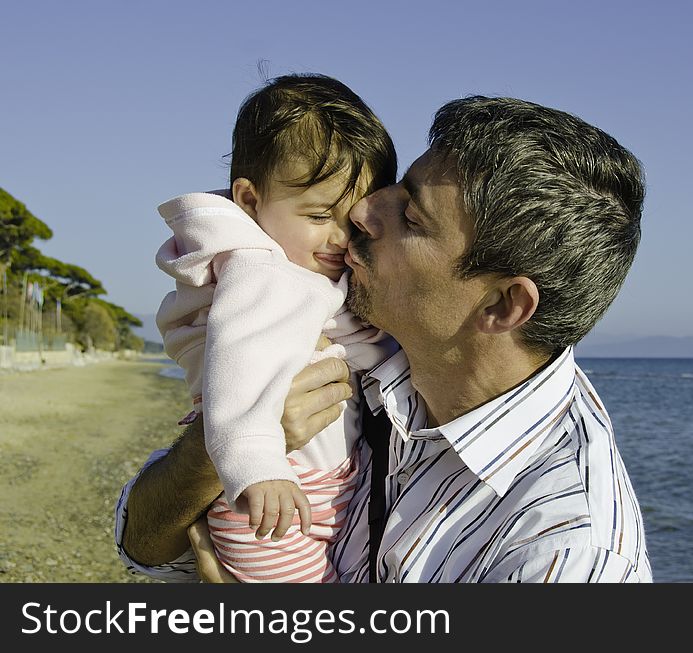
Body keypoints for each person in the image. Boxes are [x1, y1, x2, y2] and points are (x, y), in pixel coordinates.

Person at [117, 95, 652, 583]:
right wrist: (221, 447)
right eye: (390, 191)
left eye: (411, 216)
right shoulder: (373, 360)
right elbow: (144, 542)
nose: (360, 212)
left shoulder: (568, 555)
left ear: (504, 304)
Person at [148, 73, 397, 582]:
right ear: (249, 200)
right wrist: (256, 465)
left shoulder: (290, 268)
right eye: (319, 214)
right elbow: (241, 367)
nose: (338, 237)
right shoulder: (264, 274)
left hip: (302, 482)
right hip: (271, 489)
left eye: (352, 221)